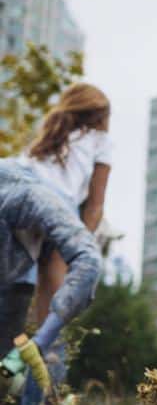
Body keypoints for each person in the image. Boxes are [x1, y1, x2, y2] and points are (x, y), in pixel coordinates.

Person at [0, 160, 102, 405]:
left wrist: (42, 339)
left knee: (35, 351)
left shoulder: (33, 201)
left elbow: (89, 262)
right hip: (18, 260)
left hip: (29, 259)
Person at [22, 83, 112, 336]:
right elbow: (95, 206)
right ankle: (41, 367)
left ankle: (13, 362)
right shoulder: (101, 141)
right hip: (58, 206)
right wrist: (80, 246)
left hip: (20, 196)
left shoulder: (47, 136)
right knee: (51, 314)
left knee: (14, 299)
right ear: (101, 117)